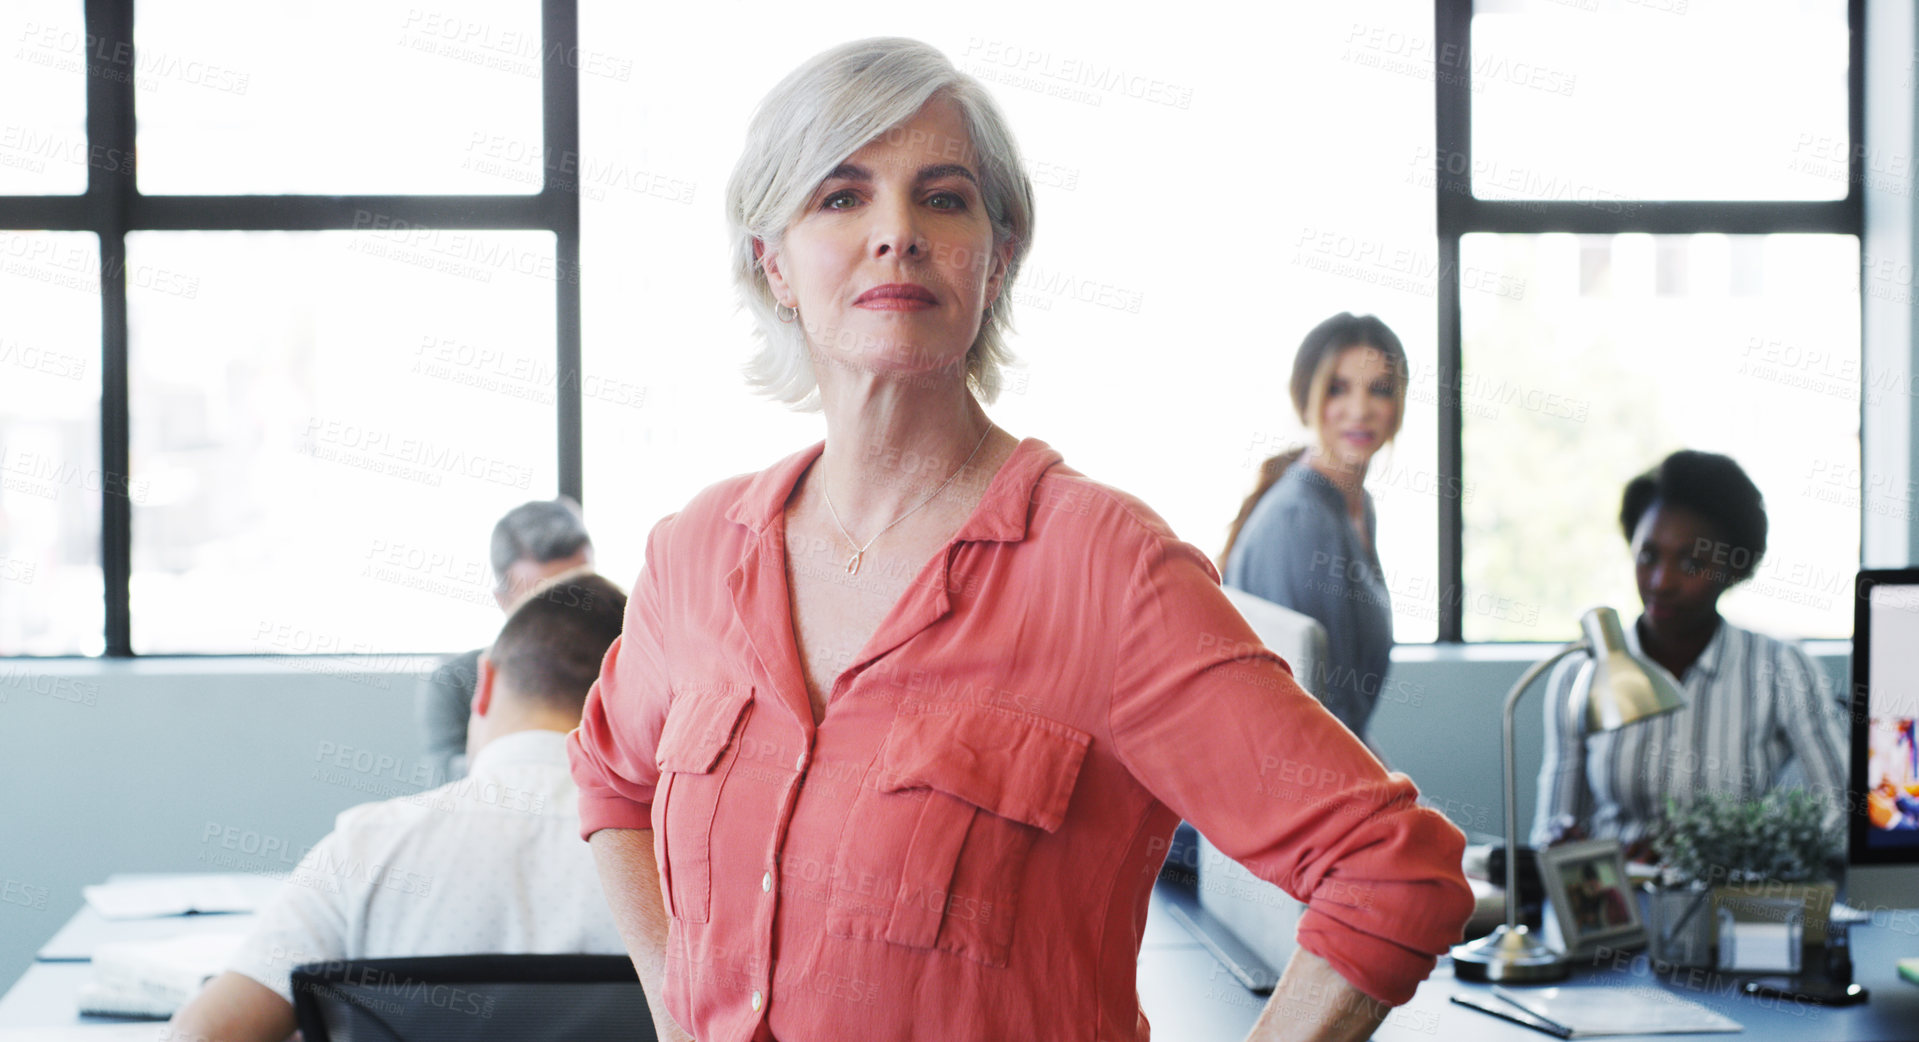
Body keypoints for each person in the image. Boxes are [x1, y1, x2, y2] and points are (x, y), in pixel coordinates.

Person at [567, 38, 1473, 1042]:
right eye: (840, 196)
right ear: (769, 262)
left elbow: (1394, 872)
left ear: (997, 258)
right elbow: (609, 777)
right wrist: (673, 1002)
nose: (895, 234)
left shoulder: (1106, 570)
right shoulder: (693, 553)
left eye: (943, 198)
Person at [168, 571, 629, 1042]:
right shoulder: (675, 866)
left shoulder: (365, 848)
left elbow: (202, 1036)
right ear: (637, 706)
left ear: (484, 682)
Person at [1530, 450, 1849, 853]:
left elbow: (1845, 819)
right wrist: (1563, 846)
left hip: (1733, 904)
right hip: (1617, 908)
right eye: (1648, 556)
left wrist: (1712, 848)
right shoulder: (1581, 674)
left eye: (1691, 563)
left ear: (1734, 569)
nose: (1661, 582)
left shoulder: (1783, 669)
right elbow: (1551, 830)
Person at [1218, 313, 1409, 740]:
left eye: (1379, 389)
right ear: (1306, 398)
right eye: (1338, 388)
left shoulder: (1358, 508)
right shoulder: (1300, 518)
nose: (1360, 410)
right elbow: (1314, 713)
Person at [417, 497, 595, 780]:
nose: (566, 619)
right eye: (541, 604)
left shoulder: (628, 671)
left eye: (582, 596)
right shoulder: (457, 683)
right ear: (503, 600)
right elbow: (444, 787)